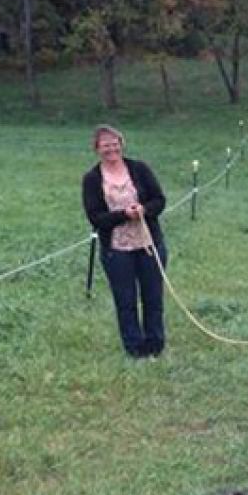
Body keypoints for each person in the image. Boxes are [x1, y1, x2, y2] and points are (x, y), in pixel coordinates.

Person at [81, 124, 168, 358]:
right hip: (117, 250)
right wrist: (123, 215)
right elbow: (95, 217)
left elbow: (159, 200)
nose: (111, 148)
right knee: (126, 301)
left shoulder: (139, 169)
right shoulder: (92, 179)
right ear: (97, 149)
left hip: (149, 245)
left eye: (114, 143)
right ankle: (135, 349)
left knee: (153, 298)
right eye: (105, 145)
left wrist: (143, 209)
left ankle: (155, 345)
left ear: (121, 144)